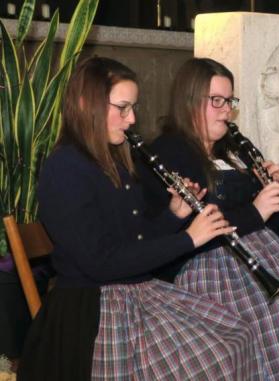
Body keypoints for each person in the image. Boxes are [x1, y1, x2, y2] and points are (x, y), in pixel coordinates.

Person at [19, 57, 259, 380]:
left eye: (133, 108)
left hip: (133, 291)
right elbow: (102, 262)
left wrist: (175, 214)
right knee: (211, 361)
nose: (131, 119)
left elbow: (137, 237)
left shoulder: (115, 162)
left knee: (236, 336)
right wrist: (189, 238)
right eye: (123, 108)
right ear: (84, 104)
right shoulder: (64, 170)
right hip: (93, 309)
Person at [141, 58, 279, 379]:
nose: (226, 110)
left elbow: (277, 227)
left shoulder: (234, 149)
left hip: (263, 254)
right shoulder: (169, 151)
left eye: (229, 101)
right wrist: (258, 208)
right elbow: (200, 227)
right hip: (208, 266)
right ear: (189, 101)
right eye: (216, 101)